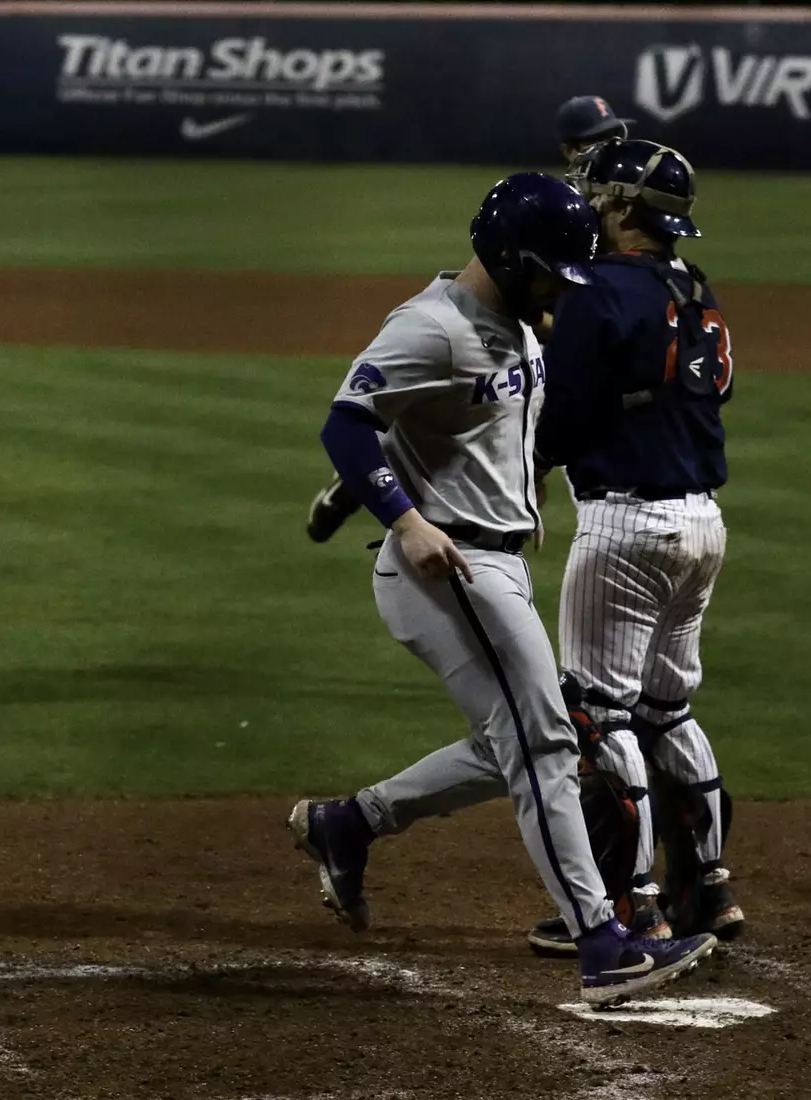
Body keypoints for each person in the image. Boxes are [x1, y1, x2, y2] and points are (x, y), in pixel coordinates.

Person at [288, 173, 716, 1006]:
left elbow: (484, 423)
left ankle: (349, 821)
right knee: (549, 745)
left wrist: (518, 501)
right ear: (512, 261)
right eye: (553, 273)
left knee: (515, 741)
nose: (562, 290)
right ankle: (602, 945)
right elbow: (347, 422)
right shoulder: (431, 328)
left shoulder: (519, 320)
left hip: (498, 560)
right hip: (448, 570)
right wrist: (404, 519)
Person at [524, 139, 747, 958]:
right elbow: (711, 387)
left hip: (623, 528)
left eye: (599, 196)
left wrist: (534, 463)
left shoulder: (592, 286)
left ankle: (635, 906)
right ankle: (712, 888)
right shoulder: (694, 286)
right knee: (669, 709)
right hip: (703, 526)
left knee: (598, 718)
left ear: (622, 210)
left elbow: (565, 409)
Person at [303, 94, 632, 544]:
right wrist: (563, 336)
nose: (609, 146)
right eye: (596, 140)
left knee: (512, 412)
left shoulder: (610, 205)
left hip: (543, 337)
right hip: (520, 332)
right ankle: (363, 475)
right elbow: (515, 291)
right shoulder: (553, 207)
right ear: (569, 149)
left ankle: (384, 464)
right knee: (472, 396)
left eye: (616, 136)